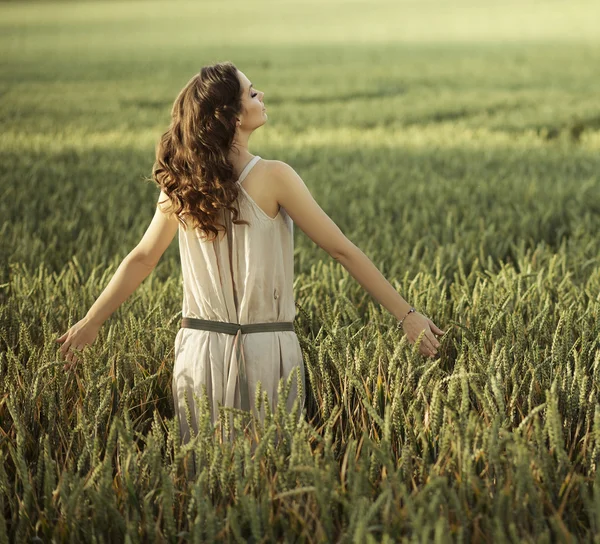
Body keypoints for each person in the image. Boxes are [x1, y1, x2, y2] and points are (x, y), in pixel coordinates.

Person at [56, 61, 445, 448]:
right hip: (267, 354)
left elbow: (142, 258)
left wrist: (91, 323)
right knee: (268, 482)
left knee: (206, 483)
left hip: (198, 352)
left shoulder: (184, 182)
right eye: (252, 92)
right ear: (232, 115)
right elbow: (340, 249)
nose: (262, 97)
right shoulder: (274, 176)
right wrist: (407, 316)